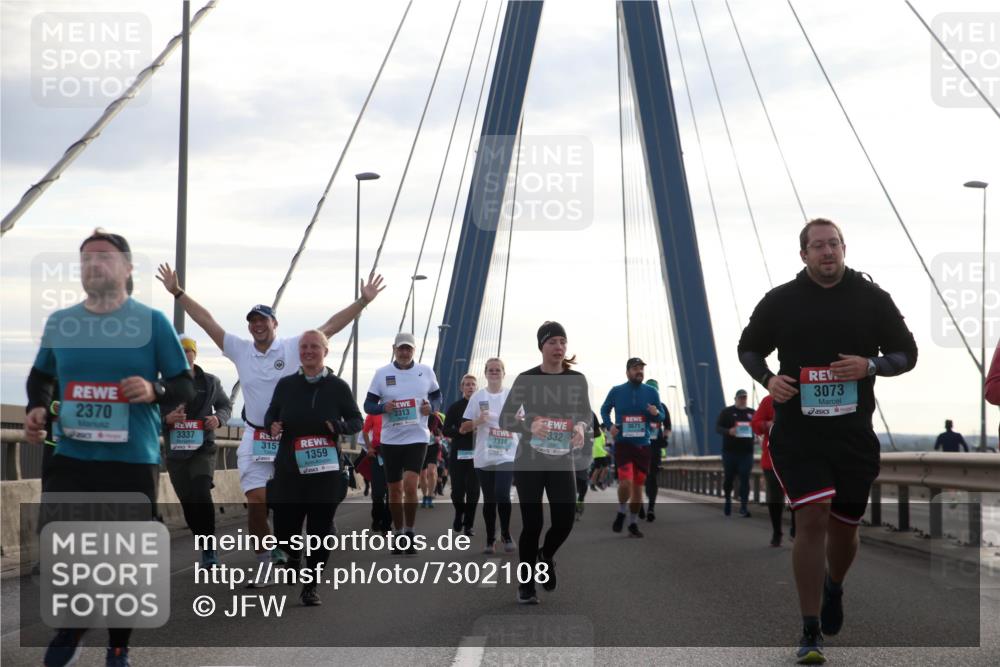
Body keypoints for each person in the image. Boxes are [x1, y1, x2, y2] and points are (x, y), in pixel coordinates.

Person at [738, 218, 917, 664]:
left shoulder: (871, 298)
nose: (827, 252)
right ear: (803, 255)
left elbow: (906, 354)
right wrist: (767, 378)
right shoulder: (781, 301)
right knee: (812, 516)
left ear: (844, 248)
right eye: (817, 246)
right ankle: (809, 628)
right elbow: (748, 347)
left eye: (833, 244)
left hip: (852, 434)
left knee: (845, 527)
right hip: (798, 432)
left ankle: (834, 585)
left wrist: (871, 366)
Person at [27, 229, 195, 667]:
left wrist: (154, 389)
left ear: (127, 267)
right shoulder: (62, 322)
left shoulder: (152, 323)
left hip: (131, 460)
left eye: (102, 257)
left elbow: (184, 385)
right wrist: (36, 407)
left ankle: (117, 645)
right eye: (84, 259)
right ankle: (74, 623)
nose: (92, 266)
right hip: (71, 456)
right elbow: (41, 376)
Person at [157, 263, 383, 577]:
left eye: (263, 320)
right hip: (255, 434)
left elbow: (330, 327)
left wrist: (363, 301)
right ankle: (267, 558)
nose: (257, 325)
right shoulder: (240, 349)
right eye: (252, 321)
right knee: (257, 499)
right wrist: (178, 293)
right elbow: (206, 320)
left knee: (291, 503)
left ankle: (290, 544)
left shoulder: (293, 347)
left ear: (274, 323)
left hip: (288, 437)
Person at [264, 330, 362, 606]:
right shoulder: (285, 385)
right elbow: (271, 413)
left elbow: (357, 420)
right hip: (290, 468)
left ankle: (311, 585)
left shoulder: (338, 386)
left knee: (320, 529)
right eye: (304, 347)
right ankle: (293, 556)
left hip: (326, 469)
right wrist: (272, 424)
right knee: (285, 529)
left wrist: (340, 427)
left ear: (325, 352)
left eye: (314, 347)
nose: (308, 351)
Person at [500, 322, 593, 604]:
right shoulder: (526, 379)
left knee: (564, 521)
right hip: (529, 460)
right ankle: (526, 584)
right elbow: (506, 418)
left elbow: (586, 414)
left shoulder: (577, 379)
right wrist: (530, 423)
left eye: (563, 341)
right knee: (533, 524)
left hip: (561, 459)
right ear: (542, 346)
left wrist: (579, 427)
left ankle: (545, 556)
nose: (559, 347)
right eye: (552, 341)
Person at [363, 332, 442, 553]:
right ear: (394, 349)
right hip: (391, 440)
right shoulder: (382, 374)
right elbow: (368, 405)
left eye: (409, 349)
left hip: (417, 437)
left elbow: (437, 396)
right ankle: (398, 534)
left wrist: (432, 408)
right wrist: (382, 408)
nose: (405, 352)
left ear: (414, 351)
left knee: (409, 486)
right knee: (395, 491)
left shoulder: (425, 371)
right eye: (401, 348)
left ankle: (410, 531)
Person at [161, 335, 233, 567]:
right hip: (176, 453)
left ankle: (210, 548)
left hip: (203, 448)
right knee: (189, 503)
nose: (184, 356)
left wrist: (217, 419)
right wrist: (167, 419)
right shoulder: (163, 386)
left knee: (201, 492)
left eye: (188, 351)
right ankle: (203, 543)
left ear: (195, 354)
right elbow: (148, 416)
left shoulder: (210, 382)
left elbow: (225, 405)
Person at [600, 358, 665, 538]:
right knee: (626, 482)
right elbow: (604, 410)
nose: (639, 371)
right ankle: (622, 510)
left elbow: (662, 416)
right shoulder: (617, 391)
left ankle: (633, 523)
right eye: (635, 368)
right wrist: (609, 425)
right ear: (627, 371)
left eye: (641, 368)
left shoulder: (651, 392)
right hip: (624, 445)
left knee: (638, 488)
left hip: (643, 447)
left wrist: (656, 413)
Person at [463, 358, 517, 555]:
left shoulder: (513, 396)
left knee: (502, 494)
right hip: (484, 456)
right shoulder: (478, 397)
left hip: (507, 454)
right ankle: (489, 538)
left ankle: (506, 533)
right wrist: (478, 420)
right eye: (491, 370)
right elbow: (464, 427)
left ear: (504, 373)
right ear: (485, 373)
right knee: (489, 499)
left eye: (498, 370)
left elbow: (525, 422)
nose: (494, 373)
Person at [752, 394, 795, 546]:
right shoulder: (769, 401)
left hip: (798, 459)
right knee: (774, 499)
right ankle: (777, 532)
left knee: (797, 496)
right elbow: (755, 424)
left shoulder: (806, 398)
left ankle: (795, 530)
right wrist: (768, 424)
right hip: (772, 460)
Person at [444, 375, 480, 536]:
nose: (470, 387)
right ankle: (460, 512)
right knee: (457, 491)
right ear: (461, 388)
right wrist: (459, 431)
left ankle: (469, 525)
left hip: (478, 454)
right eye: (467, 385)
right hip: (458, 453)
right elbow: (445, 430)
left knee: (473, 490)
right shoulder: (455, 407)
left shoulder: (482, 407)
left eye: (473, 384)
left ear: (477, 387)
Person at [716, 389, 756, 517]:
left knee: (745, 478)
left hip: (746, 453)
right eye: (740, 398)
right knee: (729, 478)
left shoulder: (752, 413)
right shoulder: (726, 412)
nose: (743, 400)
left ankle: (743, 507)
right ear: (735, 399)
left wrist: (759, 435)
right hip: (730, 453)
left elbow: (758, 426)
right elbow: (718, 428)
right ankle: (728, 499)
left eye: (745, 397)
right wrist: (729, 431)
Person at [642, 379, 671, 522]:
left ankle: (651, 508)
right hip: (640, 447)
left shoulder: (662, 407)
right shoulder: (638, 406)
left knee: (652, 478)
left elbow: (668, 426)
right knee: (640, 478)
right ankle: (639, 505)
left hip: (655, 448)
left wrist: (665, 438)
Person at [361, 412, 391, 534]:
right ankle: (376, 518)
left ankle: (387, 525)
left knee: (392, 493)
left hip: (394, 454)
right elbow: (365, 431)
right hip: (377, 454)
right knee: (378, 493)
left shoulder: (397, 410)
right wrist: (369, 447)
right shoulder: (374, 413)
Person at [421, 411, 445, 507]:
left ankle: (430, 496)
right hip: (420, 446)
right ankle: (425, 496)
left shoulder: (436, 416)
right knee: (422, 475)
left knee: (431, 472)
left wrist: (439, 437)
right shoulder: (417, 415)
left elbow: (443, 429)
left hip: (433, 447)